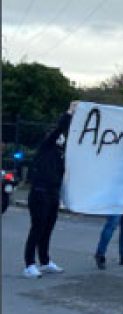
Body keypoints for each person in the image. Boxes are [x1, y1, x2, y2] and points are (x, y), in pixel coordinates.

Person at [23, 110, 72, 279]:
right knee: (37, 228)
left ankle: (45, 261)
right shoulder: (46, 147)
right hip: (39, 192)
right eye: (59, 137)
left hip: (52, 193)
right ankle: (29, 264)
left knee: (48, 229)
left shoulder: (60, 155)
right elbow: (59, 129)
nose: (61, 138)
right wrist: (68, 113)